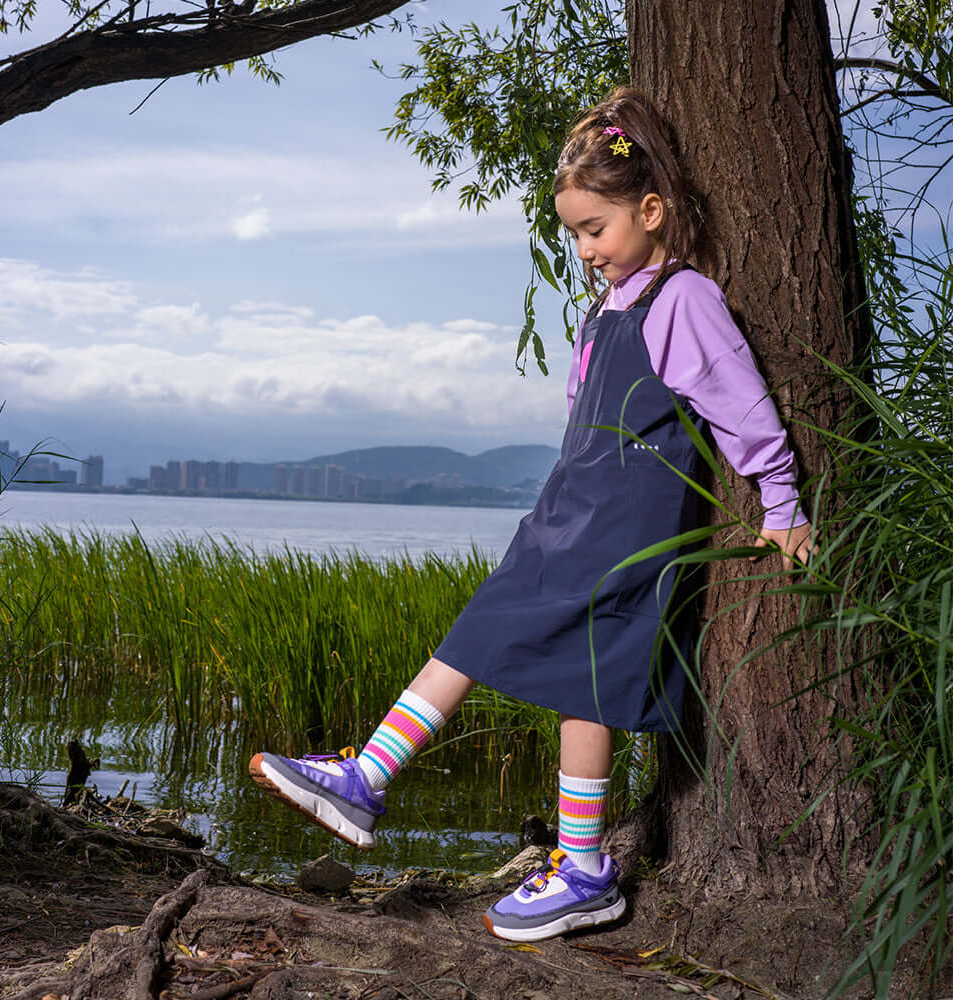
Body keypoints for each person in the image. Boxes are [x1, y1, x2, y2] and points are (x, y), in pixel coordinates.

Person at [249, 87, 815, 943]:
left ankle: (566, 859)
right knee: (489, 628)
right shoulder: (605, 309)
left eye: (597, 230)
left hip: (627, 528)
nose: (587, 250)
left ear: (652, 211)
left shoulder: (682, 299)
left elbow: (742, 406)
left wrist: (782, 500)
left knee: (582, 677)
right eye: (576, 235)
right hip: (567, 512)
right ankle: (386, 782)